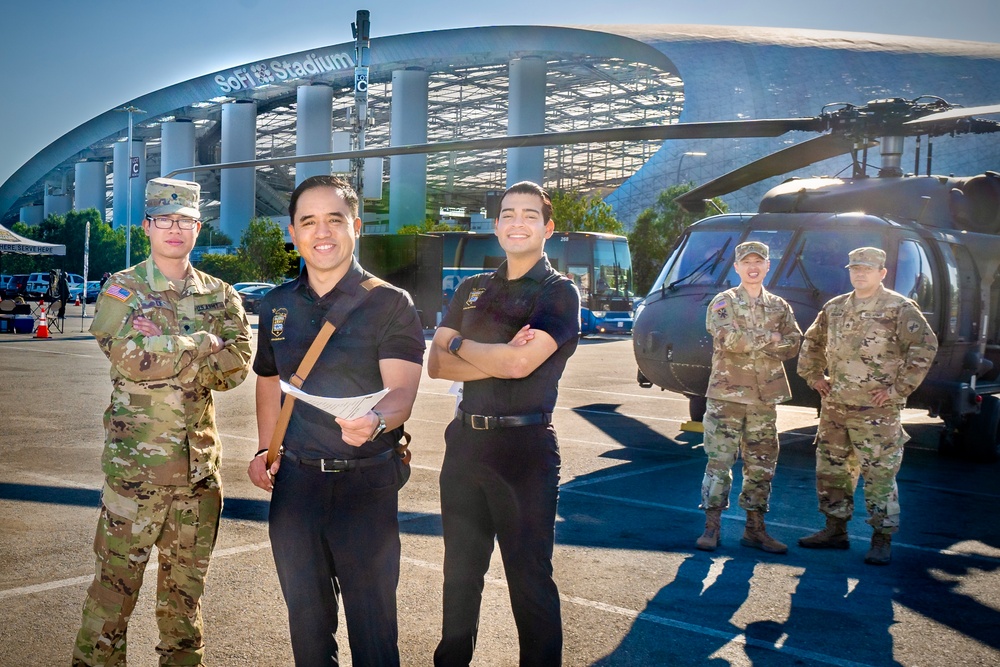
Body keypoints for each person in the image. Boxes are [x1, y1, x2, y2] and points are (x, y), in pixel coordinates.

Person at [72, 177, 252, 665]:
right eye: (164, 220)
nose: (175, 229)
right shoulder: (122, 288)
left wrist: (165, 344)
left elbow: (236, 368)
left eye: (185, 221)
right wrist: (201, 344)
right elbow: (128, 357)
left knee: (184, 609)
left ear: (198, 228)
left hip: (198, 483)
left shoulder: (220, 294)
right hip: (136, 480)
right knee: (110, 603)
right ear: (148, 226)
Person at [247, 175, 424, 666]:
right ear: (293, 232)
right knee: (307, 632)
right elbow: (267, 378)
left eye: (334, 219)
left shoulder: (390, 302)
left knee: (374, 636)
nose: (321, 231)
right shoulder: (276, 303)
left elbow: (403, 391)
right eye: (308, 221)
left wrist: (376, 418)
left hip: (365, 486)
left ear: (356, 227)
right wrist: (266, 448)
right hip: (296, 486)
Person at [427, 181, 581, 666]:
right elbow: (435, 363)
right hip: (466, 442)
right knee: (460, 572)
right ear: (496, 226)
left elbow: (520, 367)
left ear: (547, 228)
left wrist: (463, 348)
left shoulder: (559, 293)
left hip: (525, 448)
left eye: (530, 215)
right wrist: (494, 355)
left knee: (528, 576)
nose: (518, 222)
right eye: (508, 214)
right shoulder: (473, 289)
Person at [797, 247, 937, 565]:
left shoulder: (898, 308)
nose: (860, 273)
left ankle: (881, 539)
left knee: (879, 476)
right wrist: (814, 376)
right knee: (832, 472)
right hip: (835, 408)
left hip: (877, 412)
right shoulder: (834, 308)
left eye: (867, 268)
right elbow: (812, 341)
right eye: (855, 268)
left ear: (882, 273)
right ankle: (834, 531)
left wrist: (898, 388)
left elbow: (925, 345)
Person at [697, 241, 802, 553]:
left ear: (768, 266)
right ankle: (711, 527)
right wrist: (770, 338)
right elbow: (728, 338)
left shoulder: (780, 306)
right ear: (737, 267)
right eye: (747, 262)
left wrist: (764, 340)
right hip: (727, 397)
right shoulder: (723, 301)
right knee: (719, 461)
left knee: (762, 464)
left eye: (759, 261)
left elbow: (795, 342)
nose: (753, 267)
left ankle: (755, 529)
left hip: (763, 399)